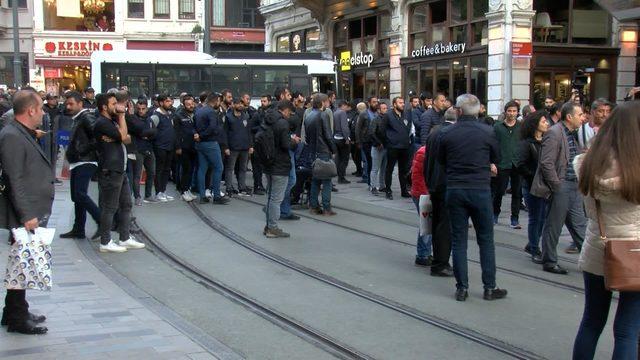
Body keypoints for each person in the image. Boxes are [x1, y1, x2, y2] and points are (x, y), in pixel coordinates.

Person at [572, 101, 640, 359]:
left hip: (598, 248)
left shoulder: (587, 164)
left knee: (591, 321)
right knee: (628, 331)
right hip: (635, 252)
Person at [437, 94, 506, 302]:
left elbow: (441, 160)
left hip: (456, 188)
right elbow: (497, 157)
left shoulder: (447, 132)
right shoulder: (488, 132)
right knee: (486, 240)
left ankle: (462, 288)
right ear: (478, 111)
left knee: (459, 241)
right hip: (480, 188)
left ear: (458, 110)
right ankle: (489, 287)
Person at [0, 90, 53, 335]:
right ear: (30, 110)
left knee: (20, 262)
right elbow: (14, 179)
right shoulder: (11, 135)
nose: (43, 112)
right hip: (26, 212)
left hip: (31, 208)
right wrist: (26, 214)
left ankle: (13, 310)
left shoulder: (20, 132)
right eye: (41, 108)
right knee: (22, 264)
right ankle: (18, 317)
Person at [531, 102, 587, 274]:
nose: (583, 118)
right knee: (554, 224)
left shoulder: (573, 133)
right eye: (580, 115)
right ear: (569, 117)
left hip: (574, 184)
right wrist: (557, 185)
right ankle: (549, 260)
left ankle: (592, 261)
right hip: (562, 184)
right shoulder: (554, 133)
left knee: (579, 224)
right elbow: (546, 163)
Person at [93, 93, 146, 253]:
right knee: (110, 207)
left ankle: (124, 237)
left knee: (126, 204)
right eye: (113, 103)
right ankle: (105, 241)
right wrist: (122, 117)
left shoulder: (110, 122)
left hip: (119, 169)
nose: (117, 106)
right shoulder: (102, 123)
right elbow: (123, 136)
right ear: (104, 107)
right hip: (110, 169)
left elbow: (127, 138)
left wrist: (121, 135)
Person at [59, 91, 101, 239]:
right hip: (78, 161)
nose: (68, 106)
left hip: (85, 160)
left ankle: (101, 221)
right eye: (67, 104)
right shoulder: (77, 118)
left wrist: (82, 150)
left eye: (71, 104)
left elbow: (97, 136)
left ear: (80, 104)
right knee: (76, 196)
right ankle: (78, 228)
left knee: (79, 194)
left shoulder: (86, 117)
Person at [424, 107, 457, 277]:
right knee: (445, 226)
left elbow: (427, 158)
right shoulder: (451, 133)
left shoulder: (434, 132)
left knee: (437, 224)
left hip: (434, 183)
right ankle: (441, 263)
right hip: (446, 184)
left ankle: (439, 260)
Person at [262, 101, 301, 237]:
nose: (289, 116)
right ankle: (272, 227)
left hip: (268, 163)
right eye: (289, 113)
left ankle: (268, 226)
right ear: (285, 110)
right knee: (276, 198)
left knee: (271, 196)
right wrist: (294, 141)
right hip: (280, 165)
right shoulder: (283, 123)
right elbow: (285, 145)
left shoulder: (267, 119)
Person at [516, 111, 550, 264]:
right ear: (535, 124)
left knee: (542, 217)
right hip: (531, 186)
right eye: (543, 121)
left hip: (544, 186)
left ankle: (532, 243)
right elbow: (520, 164)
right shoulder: (527, 143)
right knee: (535, 217)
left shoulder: (546, 140)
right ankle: (535, 248)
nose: (547, 124)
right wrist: (533, 176)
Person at [492, 100, 523, 229]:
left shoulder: (521, 127)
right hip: (502, 163)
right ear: (505, 112)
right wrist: (492, 162)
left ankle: (514, 218)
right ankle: (495, 214)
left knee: (517, 192)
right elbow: (493, 145)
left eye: (514, 111)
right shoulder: (497, 127)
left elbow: (524, 144)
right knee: (499, 191)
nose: (512, 113)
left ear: (517, 112)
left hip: (517, 163)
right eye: (509, 111)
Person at [194, 92, 229, 204]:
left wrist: (198, 135)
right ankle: (217, 195)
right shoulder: (211, 112)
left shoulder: (199, 111)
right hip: (210, 143)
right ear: (216, 101)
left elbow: (193, 125)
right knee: (219, 167)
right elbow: (213, 128)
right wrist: (202, 135)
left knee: (202, 169)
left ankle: (202, 195)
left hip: (200, 144)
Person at [306, 93, 337, 215]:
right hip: (323, 150)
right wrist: (333, 150)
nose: (328, 104)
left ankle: (314, 206)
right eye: (327, 102)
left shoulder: (309, 115)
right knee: (327, 180)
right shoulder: (323, 115)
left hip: (313, 151)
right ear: (323, 102)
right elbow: (328, 135)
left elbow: (308, 137)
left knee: (316, 179)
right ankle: (326, 207)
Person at [127, 96, 157, 204]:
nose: (141, 111)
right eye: (139, 109)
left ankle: (148, 195)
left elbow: (154, 132)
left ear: (147, 108)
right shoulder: (132, 118)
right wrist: (145, 133)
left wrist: (146, 134)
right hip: (137, 149)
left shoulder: (149, 119)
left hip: (149, 148)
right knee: (137, 174)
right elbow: (139, 131)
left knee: (152, 172)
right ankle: (137, 196)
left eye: (143, 109)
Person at [383, 97, 412, 200]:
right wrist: (388, 141)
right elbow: (382, 130)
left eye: (403, 102)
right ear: (394, 104)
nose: (403, 104)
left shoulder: (406, 114)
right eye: (400, 103)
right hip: (393, 146)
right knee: (389, 169)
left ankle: (404, 191)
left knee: (403, 170)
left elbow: (408, 128)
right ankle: (388, 190)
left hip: (404, 146)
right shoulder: (388, 115)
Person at [150, 94, 176, 202]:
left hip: (170, 146)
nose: (170, 103)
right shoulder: (156, 115)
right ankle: (158, 192)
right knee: (159, 169)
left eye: (170, 101)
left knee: (166, 169)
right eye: (167, 101)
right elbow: (151, 131)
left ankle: (163, 191)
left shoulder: (170, 114)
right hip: (160, 147)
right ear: (161, 103)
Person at [224, 97, 253, 196]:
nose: (240, 105)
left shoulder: (246, 116)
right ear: (233, 105)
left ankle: (242, 187)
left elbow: (249, 132)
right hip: (233, 147)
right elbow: (225, 133)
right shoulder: (228, 117)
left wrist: (251, 145)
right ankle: (229, 188)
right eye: (237, 104)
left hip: (245, 147)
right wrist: (226, 147)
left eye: (241, 104)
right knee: (230, 168)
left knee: (243, 168)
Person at [410, 144, 433, 267]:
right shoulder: (423, 153)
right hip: (423, 193)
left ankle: (425, 253)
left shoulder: (426, 152)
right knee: (427, 224)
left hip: (424, 192)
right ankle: (423, 255)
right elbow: (418, 177)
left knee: (428, 224)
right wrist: (427, 194)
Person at [174, 94, 198, 202]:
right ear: (184, 105)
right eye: (188, 104)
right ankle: (183, 191)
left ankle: (187, 189)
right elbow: (176, 133)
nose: (191, 106)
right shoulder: (178, 116)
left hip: (194, 146)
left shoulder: (196, 114)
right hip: (183, 147)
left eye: (192, 104)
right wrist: (178, 147)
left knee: (191, 169)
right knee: (185, 169)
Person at [250, 95, 271, 195]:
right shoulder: (257, 114)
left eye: (265, 101)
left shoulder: (271, 113)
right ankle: (257, 185)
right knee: (257, 167)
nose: (263, 103)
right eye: (262, 101)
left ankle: (265, 185)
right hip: (258, 144)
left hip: (267, 144)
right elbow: (251, 128)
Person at [355, 98, 377, 185]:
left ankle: (373, 180)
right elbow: (358, 129)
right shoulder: (363, 114)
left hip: (375, 141)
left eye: (376, 102)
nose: (375, 104)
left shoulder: (377, 113)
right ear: (369, 103)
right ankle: (369, 180)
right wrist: (359, 142)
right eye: (374, 102)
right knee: (369, 161)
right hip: (366, 141)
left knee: (374, 162)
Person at [369, 102, 388, 195]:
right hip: (378, 147)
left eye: (386, 108)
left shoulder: (387, 119)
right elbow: (372, 133)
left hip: (386, 147)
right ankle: (373, 186)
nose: (385, 110)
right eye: (383, 108)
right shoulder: (375, 120)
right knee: (375, 168)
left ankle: (382, 185)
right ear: (378, 110)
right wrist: (378, 143)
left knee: (384, 168)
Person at [333, 100, 352, 184]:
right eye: (346, 106)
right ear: (343, 105)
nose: (347, 108)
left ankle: (338, 173)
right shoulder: (342, 113)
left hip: (336, 137)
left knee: (339, 157)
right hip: (342, 139)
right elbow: (344, 127)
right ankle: (341, 177)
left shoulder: (335, 112)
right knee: (345, 158)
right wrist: (346, 138)